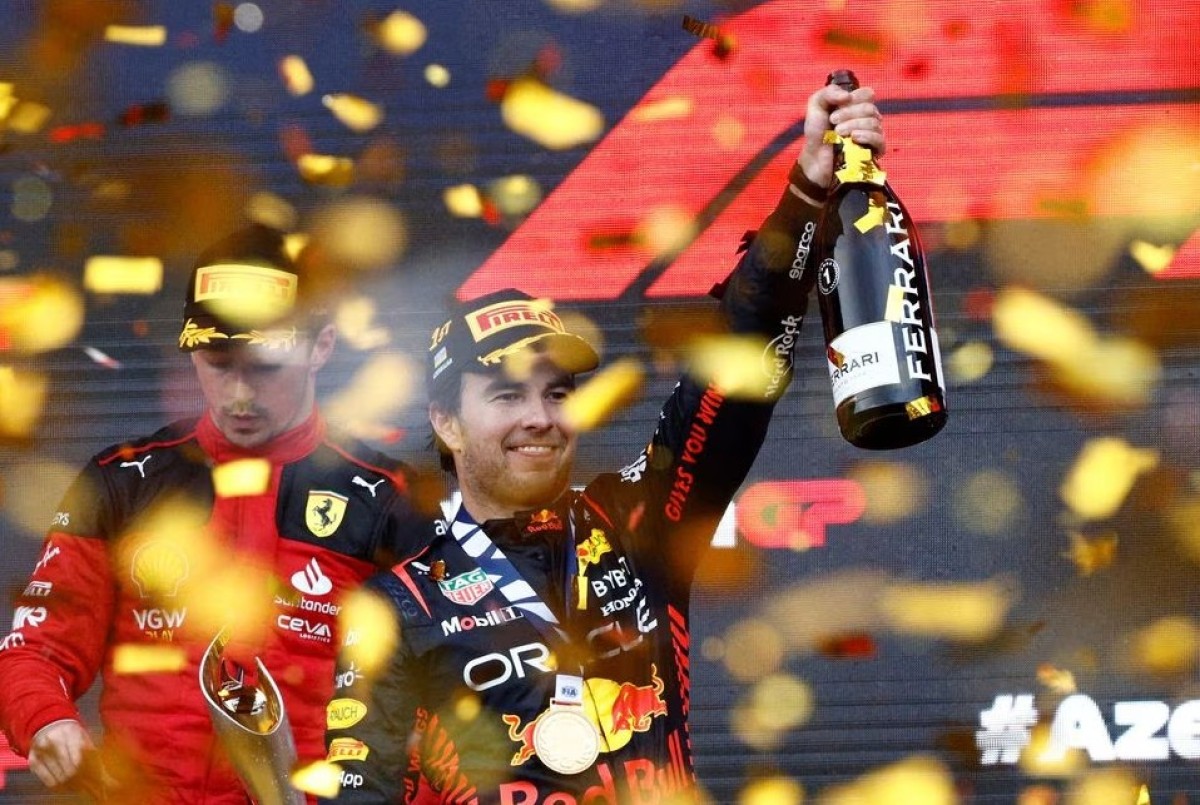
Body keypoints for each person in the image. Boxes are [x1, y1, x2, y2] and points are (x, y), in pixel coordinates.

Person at [323, 80, 887, 802]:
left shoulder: (637, 523)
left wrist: (806, 192)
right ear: (446, 422)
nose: (540, 416)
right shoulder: (398, 607)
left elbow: (730, 376)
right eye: (507, 395)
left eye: (557, 393)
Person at [0, 224, 425, 802]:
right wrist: (47, 719)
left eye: (265, 364)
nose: (239, 393)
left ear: (321, 346)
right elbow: (35, 648)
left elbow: (440, 691)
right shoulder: (121, 482)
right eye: (219, 362)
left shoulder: (390, 501)